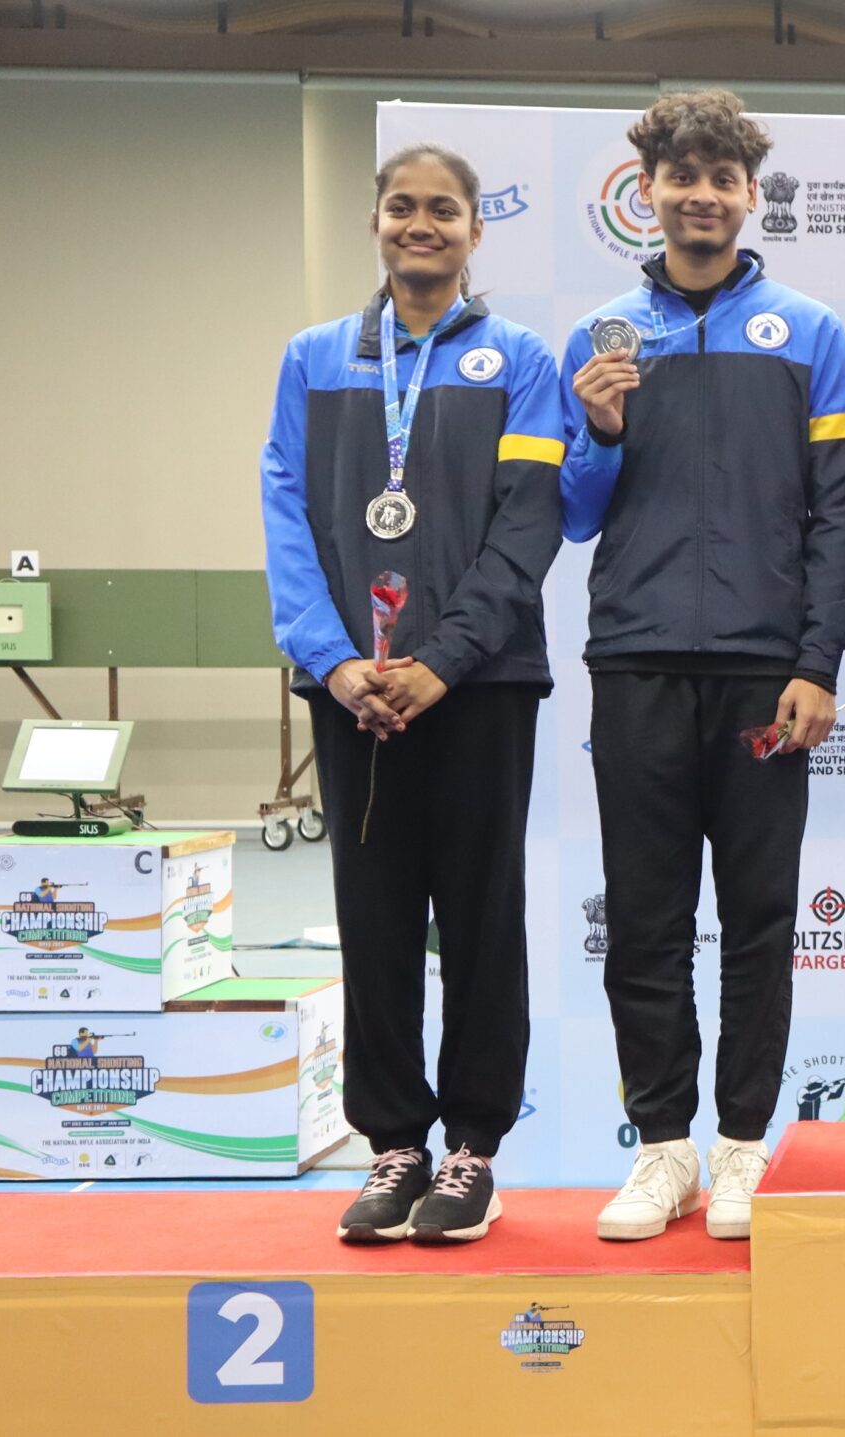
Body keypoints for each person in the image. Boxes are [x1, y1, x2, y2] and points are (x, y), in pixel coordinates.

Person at [559, 90, 845, 1241]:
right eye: (680, 175)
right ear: (647, 192)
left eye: (721, 176)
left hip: (761, 675)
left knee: (755, 918)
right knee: (644, 921)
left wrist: (818, 663)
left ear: (749, 194)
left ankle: (742, 1148)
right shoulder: (601, 339)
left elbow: (841, 518)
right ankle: (662, 1150)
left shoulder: (811, 332)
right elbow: (575, 515)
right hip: (635, 662)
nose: (700, 194)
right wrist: (596, 432)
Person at [260, 142, 564, 1245]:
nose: (421, 224)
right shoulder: (315, 359)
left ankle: (473, 1151)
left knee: (482, 918)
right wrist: (335, 661)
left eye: (444, 209)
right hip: (353, 691)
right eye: (402, 206)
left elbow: (528, 520)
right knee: (374, 916)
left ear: (477, 230)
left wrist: (442, 661)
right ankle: (393, 1147)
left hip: (479, 687)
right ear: (376, 222)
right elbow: (286, 515)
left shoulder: (519, 360)